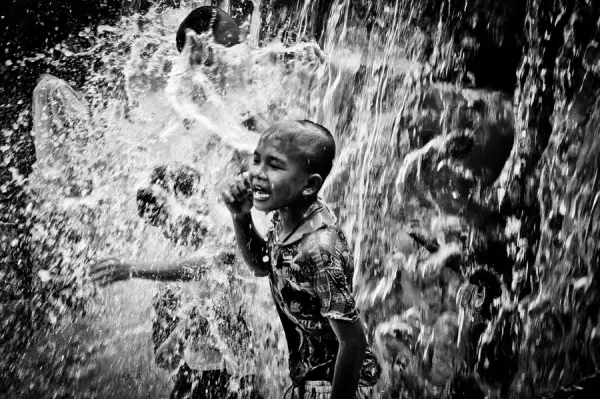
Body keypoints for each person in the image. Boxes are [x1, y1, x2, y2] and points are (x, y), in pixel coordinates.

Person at [220, 120, 381, 398]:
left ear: (310, 185)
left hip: (335, 387)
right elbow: (262, 264)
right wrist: (241, 215)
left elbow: (353, 340)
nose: (256, 173)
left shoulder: (319, 248)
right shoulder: (285, 219)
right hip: (308, 381)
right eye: (256, 160)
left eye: (274, 165)